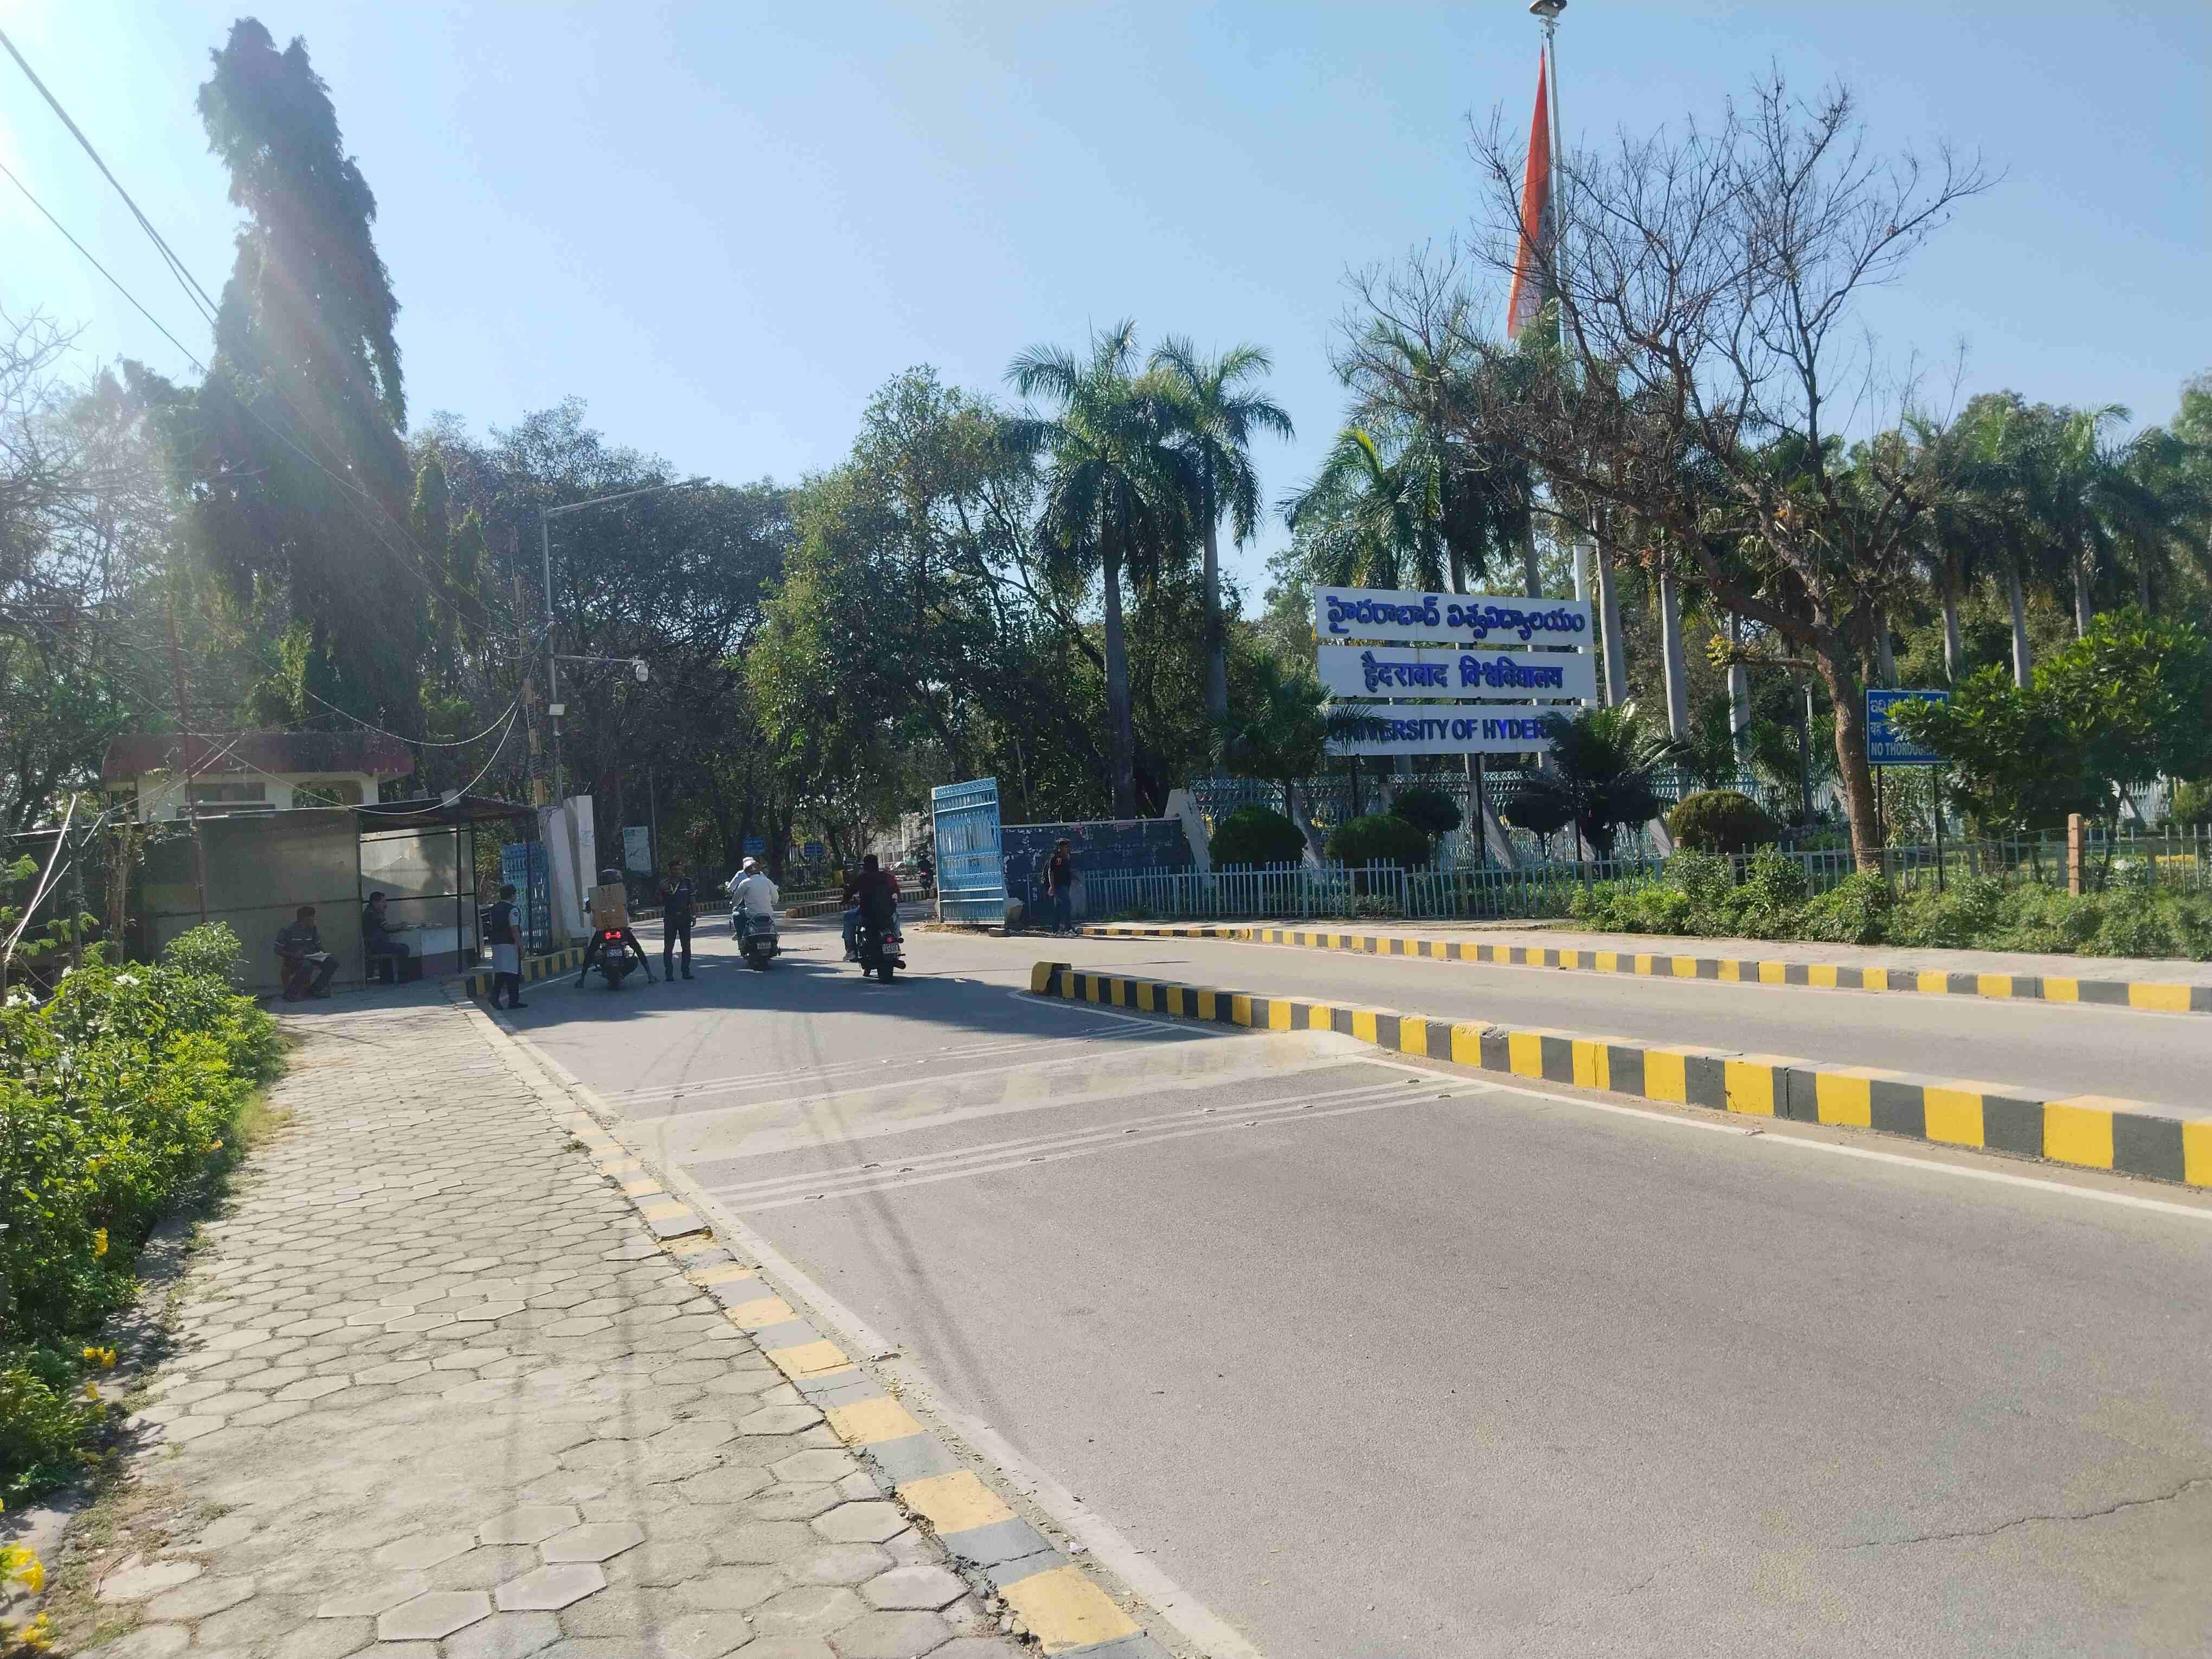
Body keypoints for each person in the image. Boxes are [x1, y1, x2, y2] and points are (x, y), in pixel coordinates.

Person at [576, 868, 655, 986]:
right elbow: (629, 907)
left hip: (603, 930)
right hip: (621, 929)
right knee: (637, 948)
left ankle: (582, 979)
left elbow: (589, 908)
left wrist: (589, 908)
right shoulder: (621, 893)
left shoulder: (596, 895)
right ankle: (650, 975)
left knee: (591, 951)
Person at [274, 904, 338, 1000]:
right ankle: (291, 993)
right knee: (307, 966)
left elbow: (319, 946)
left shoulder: (313, 929)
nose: (314, 920)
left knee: (333, 962)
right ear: (304, 919)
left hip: (312, 957)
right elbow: (278, 950)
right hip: (294, 959)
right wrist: (294, 955)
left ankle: (316, 989)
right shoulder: (288, 930)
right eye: (312, 917)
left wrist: (323, 955)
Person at [843, 853, 900, 960]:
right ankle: (896, 943)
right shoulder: (888, 878)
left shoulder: (862, 878)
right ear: (877, 865)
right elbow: (898, 894)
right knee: (897, 917)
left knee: (847, 918)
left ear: (865, 866)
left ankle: (851, 950)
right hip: (887, 916)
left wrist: (845, 900)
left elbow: (849, 893)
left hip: (867, 916)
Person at [484, 883, 525, 1009]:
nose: (516, 897)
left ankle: (508, 1000)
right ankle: (508, 1000)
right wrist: (520, 946)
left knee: (501, 972)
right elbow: (514, 930)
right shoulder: (513, 910)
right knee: (512, 973)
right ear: (512, 895)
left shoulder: (494, 909)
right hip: (509, 945)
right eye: (515, 894)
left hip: (496, 944)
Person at [658, 857, 697, 980]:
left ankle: (686, 972)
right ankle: (669, 973)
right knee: (669, 947)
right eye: (675, 869)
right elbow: (658, 901)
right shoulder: (664, 884)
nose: (678, 871)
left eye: (680, 869)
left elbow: (692, 900)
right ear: (670, 871)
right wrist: (661, 890)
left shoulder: (687, 882)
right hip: (670, 918)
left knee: (686, 946)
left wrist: (694, 916)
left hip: (685, 918)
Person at [361, 892, 413, 975]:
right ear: (375, 903)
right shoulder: (374, 914)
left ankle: (389, 977)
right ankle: (403, 977)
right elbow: (387, 928)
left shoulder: (370, 912)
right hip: (376, 947)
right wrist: (402, 926)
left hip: (375, 946)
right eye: (383, 902)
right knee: (404, 948)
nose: (386, 905)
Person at [730, 856, 780, 943]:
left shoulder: (745, 883)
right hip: (768, 913)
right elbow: (775, 899)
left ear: (746, 871)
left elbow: (736, 901)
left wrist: (734, 904)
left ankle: (740, 937)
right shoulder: (767, 881)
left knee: (736, 915)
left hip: (751, 913)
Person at [1044, 838, 1076, 934]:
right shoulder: (1057, 858)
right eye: (1066, 847)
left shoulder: (1066, 856)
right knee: (1067, 905)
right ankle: (1068, 929)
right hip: (1059, 885)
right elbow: (1051, 872)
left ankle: (1055, 929)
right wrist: (1052, 886)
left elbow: (1065, 870)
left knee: (1059, 907)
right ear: (1061, 848)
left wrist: (1073, 877)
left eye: (1069, 847)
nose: (1068, 849)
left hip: (1065, 885)